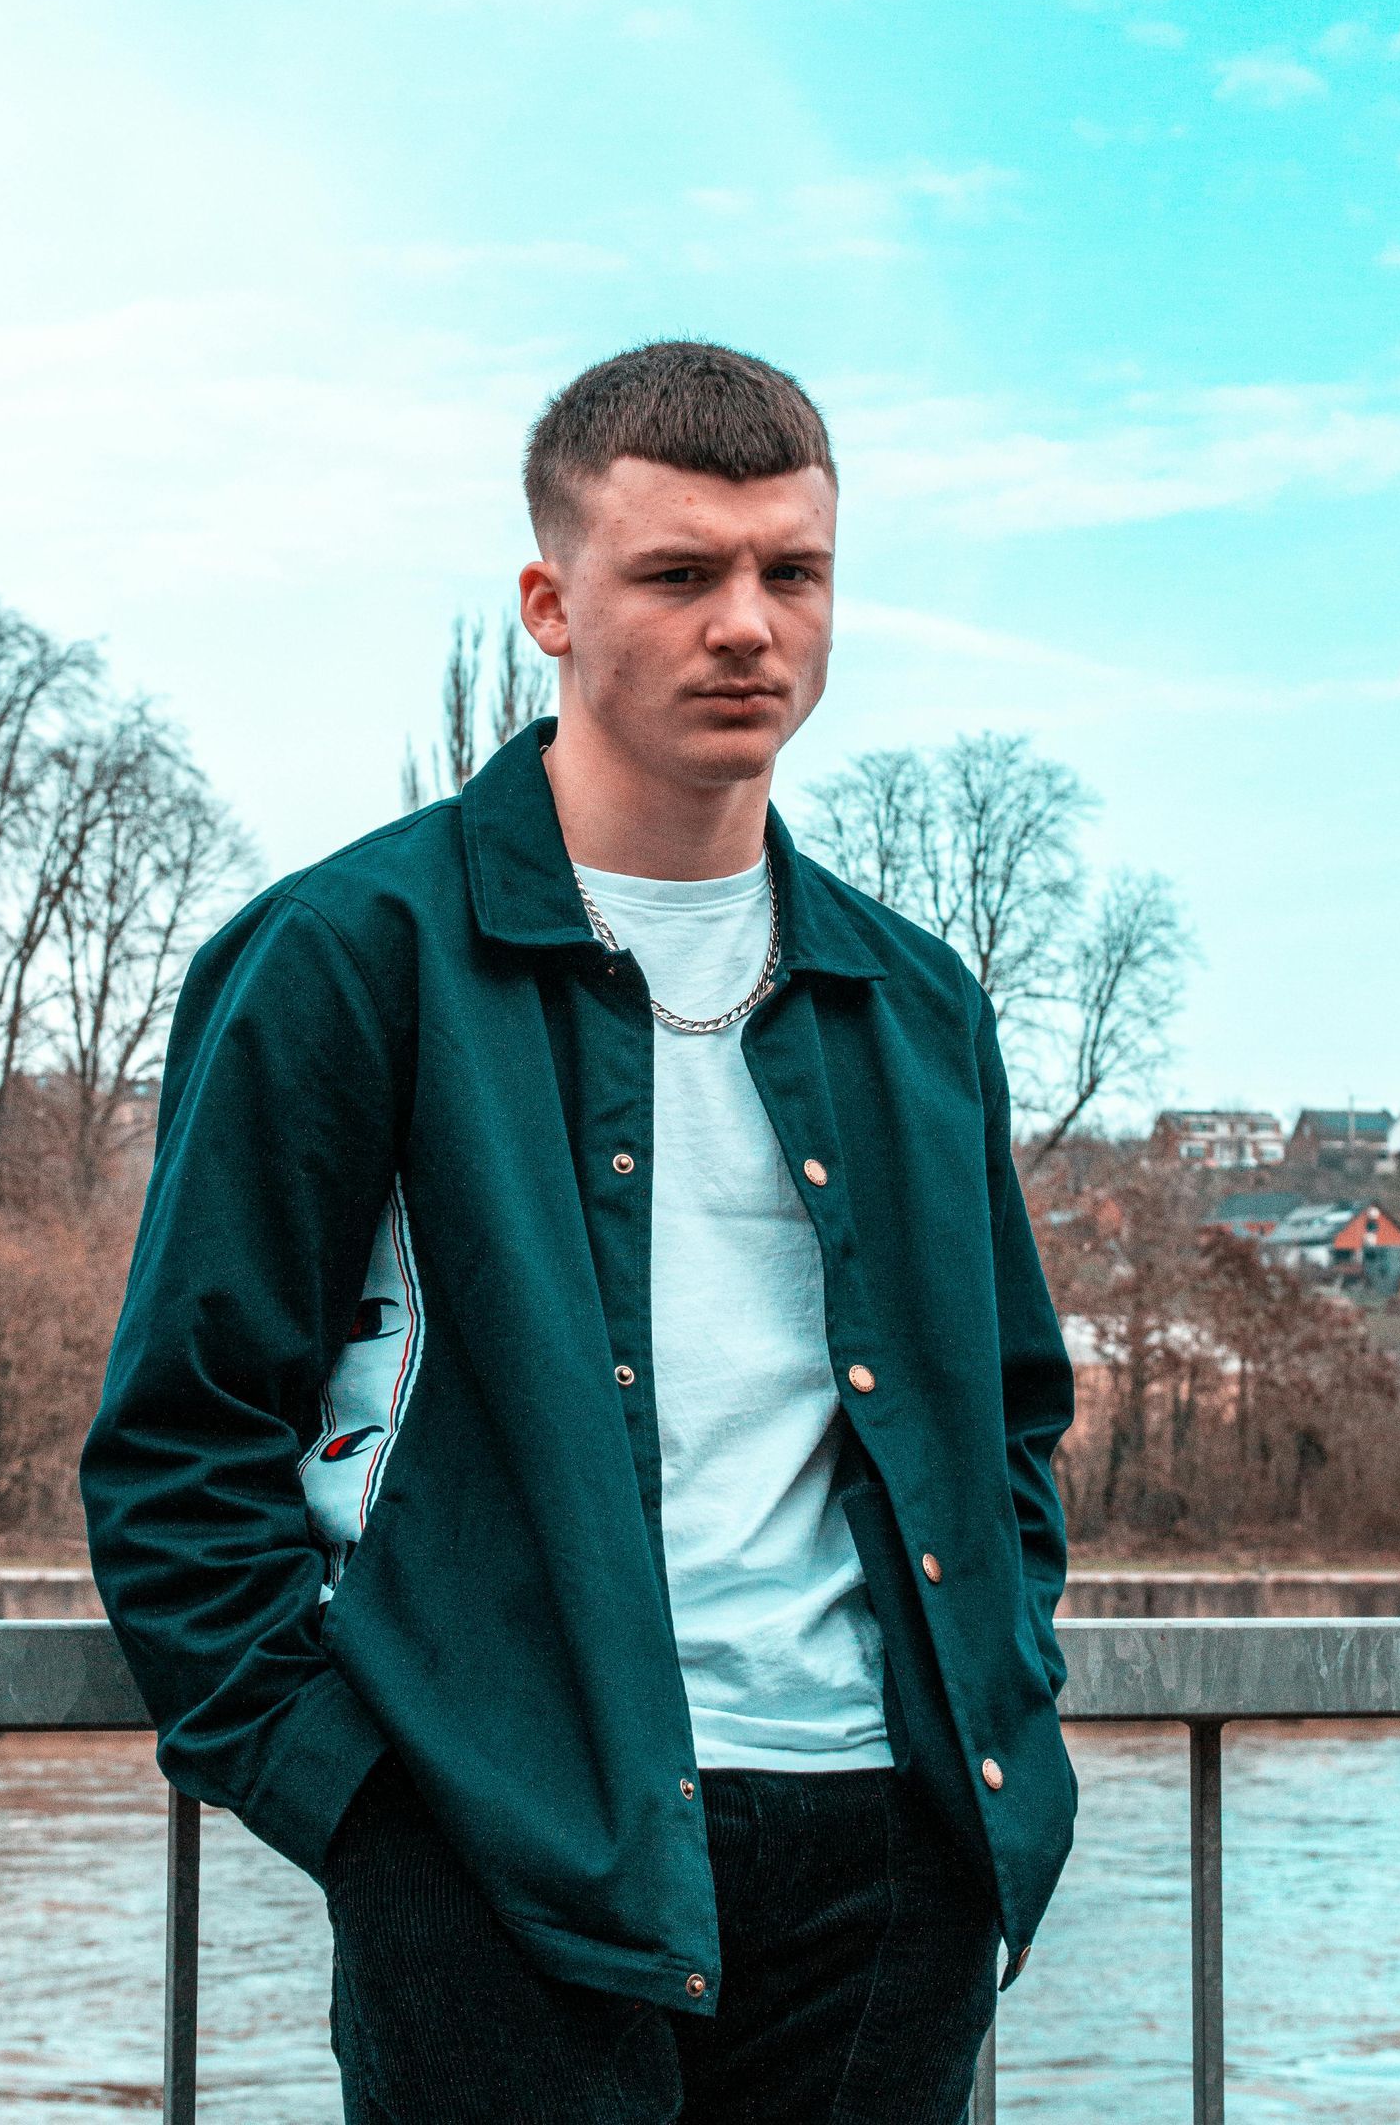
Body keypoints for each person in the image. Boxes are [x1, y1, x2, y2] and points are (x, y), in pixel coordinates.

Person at [80, 339, 1077, 2125]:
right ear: (550, 599)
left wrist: (984, 1750)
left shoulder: (914, 1006)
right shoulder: (349, 958)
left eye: (795, 571)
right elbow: (178, 1451)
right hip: (506, 1860)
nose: (748, 626)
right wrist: (374, 1818)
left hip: (888, 1863)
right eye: (681, 574)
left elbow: (1004, 1421)